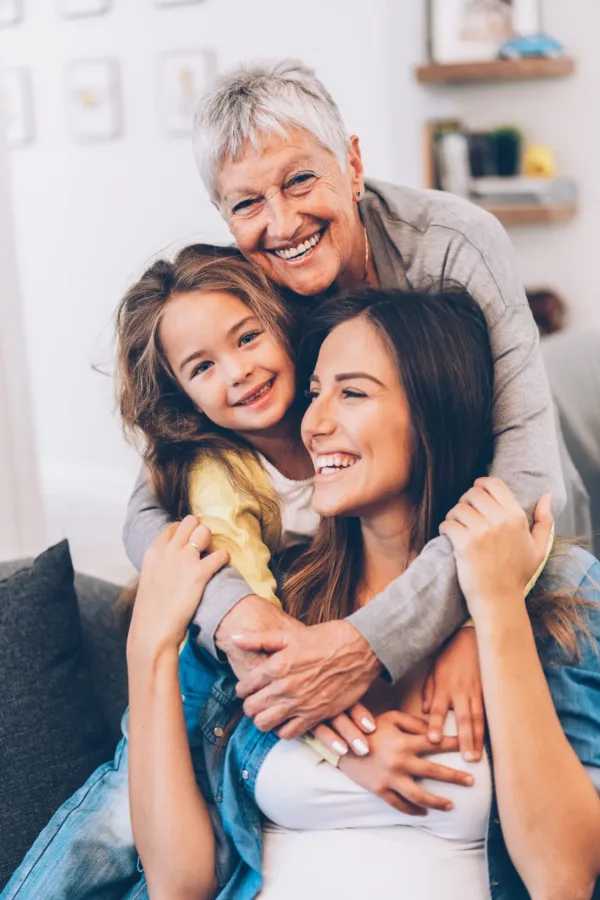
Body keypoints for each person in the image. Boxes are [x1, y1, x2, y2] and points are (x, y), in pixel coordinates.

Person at [123, 58, 589, 749]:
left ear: (353, 161)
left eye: (300, 179)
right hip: (369, 554)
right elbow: (147, 508)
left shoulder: (452, 244)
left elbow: (524, 472)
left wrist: (444, 629)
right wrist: (238, 614)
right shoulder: (254, 289)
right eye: (246, 203)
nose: (282, 224)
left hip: (511, 531)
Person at [1, 249, 480, 899]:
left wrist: (469, 623)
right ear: (183, 396)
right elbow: (256, 635)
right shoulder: (218, 477)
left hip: (288, 674)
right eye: (203, 367)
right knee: (101, 835)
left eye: (248, 337)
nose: (239, 372)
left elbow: (494, 531)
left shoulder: (352, 430)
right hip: (216, 672)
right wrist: (341, 741)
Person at [126, 287, 600, 900]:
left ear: (436, 411)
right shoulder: (268, 603)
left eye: (352, 393)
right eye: (316, 392)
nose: (315, 425)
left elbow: (563, 876)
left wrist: (494, 609)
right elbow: (177, 884)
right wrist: (151, 647)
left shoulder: (559, 593)